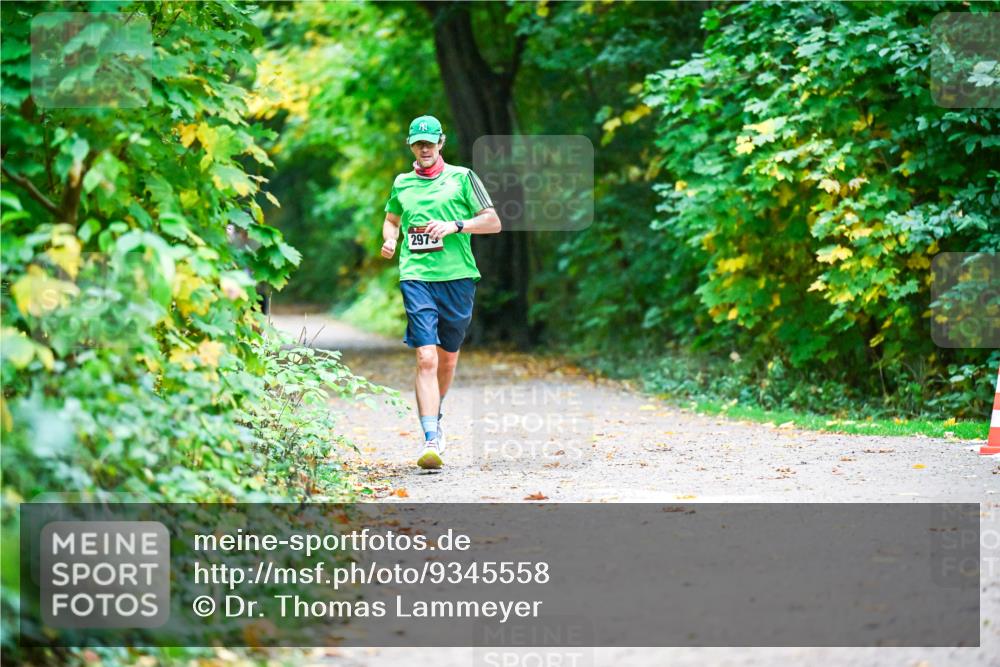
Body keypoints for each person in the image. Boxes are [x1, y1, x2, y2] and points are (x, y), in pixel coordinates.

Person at [380, 115, 501, 469]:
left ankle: (438, 411)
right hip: (416, 276)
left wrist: (456, 225)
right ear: (411, 146)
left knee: (447, 357)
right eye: (419, 143)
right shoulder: (402, 183)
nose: (425, 148)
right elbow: (392, 219)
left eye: (430, 142)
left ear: (441, 143)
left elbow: (493, 222)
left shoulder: (464, 178)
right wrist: (390, 239)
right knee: (426, 357)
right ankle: (431, 437)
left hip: (458, 277)